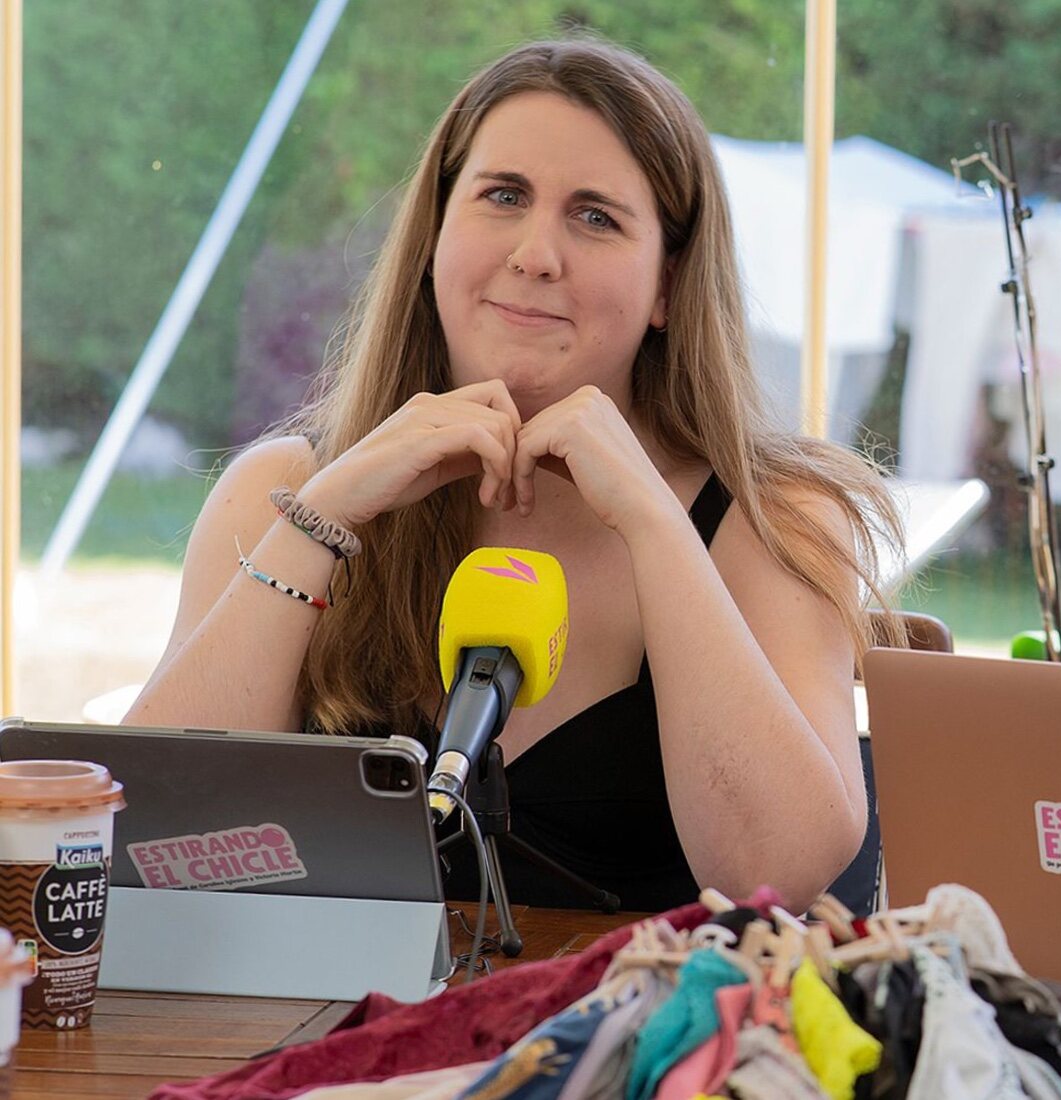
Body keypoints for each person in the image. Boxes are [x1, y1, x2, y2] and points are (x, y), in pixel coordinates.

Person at [127, 38, 903, 913]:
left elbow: (780, 874)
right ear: (433, 238)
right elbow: (145, 833)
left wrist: (654, 522)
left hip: (627, 1039)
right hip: (329, 1038)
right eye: (503, 196)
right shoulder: (280, 488)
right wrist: (326, 514)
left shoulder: (775, 517)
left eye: (596, 217)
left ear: (666, 286)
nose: (536, 254)